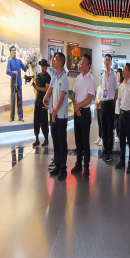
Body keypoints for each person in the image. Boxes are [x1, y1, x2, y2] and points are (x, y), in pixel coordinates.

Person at [43, 52, 69, 180]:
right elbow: (53, 93)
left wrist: (55, 111)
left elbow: (62, 97)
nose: (53, 60)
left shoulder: (64, 78)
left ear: (61, 63)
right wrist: (52, 109)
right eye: (54, 58)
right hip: (54, 114)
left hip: (61, 116)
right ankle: (57, 165)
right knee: (56, 141)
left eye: (56, 59)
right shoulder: (55, 77)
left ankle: (63, 169)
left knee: (62, 142)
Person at [71, 54, 96, 177]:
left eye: (83, 61)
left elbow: (89, 99)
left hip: (85, 113)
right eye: (81, 61)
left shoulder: (91, 79)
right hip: (77, 112)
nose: (81, 63)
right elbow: (74, 94)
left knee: (85, 140)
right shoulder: (78, 78)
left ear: (88, 65)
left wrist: (78, 106)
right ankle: (78, 164)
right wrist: (76, 107)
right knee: (78, 140)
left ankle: (86, 166)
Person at [115, 63, 130, 173]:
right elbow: (120, 99)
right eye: (123, 69)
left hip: (129, 115)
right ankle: (122, 161)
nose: (123, 71)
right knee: (122, 139)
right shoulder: (121, 86)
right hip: (122, 114)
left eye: (126, 70)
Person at [100, 54, 118, 161]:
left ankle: (110, 152)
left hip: (110, 103)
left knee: (110, 128)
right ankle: (105, 149)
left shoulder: (114, 75)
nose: (107, 61)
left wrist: (113, 102)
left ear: (111, 63)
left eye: (109, 60)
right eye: (106, 60)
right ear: (104, 62)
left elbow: (116, 90)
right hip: (103, 103)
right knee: (103, 127)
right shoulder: (102, 75)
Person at [6, 46, 28, 122]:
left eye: (15, 50)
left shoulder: (19, 61)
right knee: (13, 100)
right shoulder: (10, 62)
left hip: (19, 83)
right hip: (13, 83)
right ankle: (12, 117)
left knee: (20, 100)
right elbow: (7, 71)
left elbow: (24, 69)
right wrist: (13, 72)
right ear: (10, 52)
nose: (14, 51)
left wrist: (27, 64)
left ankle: (20, 117)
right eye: (12, 50)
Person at [32, 59, 51, 147]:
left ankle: (46, 139)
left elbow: (47, 88)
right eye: (42, 66)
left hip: (44, 101)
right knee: (36, 120)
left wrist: (37, 88)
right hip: (37, 100)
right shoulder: (39, 75)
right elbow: (37, 85)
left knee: (44, 121)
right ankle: (37, 139)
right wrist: (35, 82)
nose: (43, 68)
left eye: (45, 66)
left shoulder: (48, 77)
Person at [114, 68, 123, 143]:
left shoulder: (122, 86)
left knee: (119, 124)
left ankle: (120, 136)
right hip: (116, 108)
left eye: (118, 75)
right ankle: (118, 136)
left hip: (120, 109)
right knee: (116, 123)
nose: (117, 77)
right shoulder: (117, 85)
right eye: (116, 75)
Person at [95, 73, 103, 145]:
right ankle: (99, 137)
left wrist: (98, 104)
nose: (100, 78)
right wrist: (96, 103)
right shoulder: (98, 87)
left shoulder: (104, 87)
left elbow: (102, 97)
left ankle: (102, 138)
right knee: (99, 123)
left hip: (102, 107)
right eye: (100, 77)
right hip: (98, 107)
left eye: (101, 77)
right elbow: (96, 96)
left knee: (102, 123)